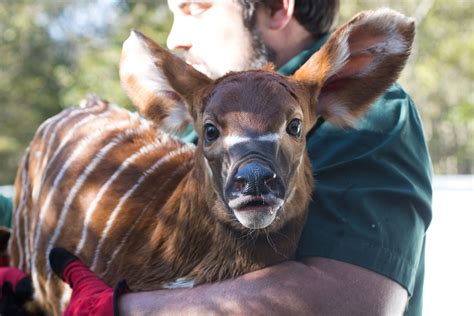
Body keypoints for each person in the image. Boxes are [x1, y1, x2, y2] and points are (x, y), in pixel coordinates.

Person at [1, 0, 433, 315]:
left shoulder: (372, 114)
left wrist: (124, 308)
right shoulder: (203, 117)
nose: (175, 38)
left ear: (278, 9)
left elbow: (353, 301)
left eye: (196, 8)